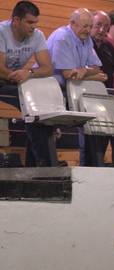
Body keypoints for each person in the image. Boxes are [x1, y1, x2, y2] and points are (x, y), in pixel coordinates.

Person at [47, 8, 108, 167]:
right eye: (84, 26)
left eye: (90, 26)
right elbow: (69, 74)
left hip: (72, 91)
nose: (88, 30)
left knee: (95, 122)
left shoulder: (86, 39)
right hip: (51, 92)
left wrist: (83, 71)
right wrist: (91, 75)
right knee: (44, 131)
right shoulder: (62, 38)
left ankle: (93, 167)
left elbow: (96, 68)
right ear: (72, 23)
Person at [0, 1, 56, 167]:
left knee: (35, 108)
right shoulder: (2, 31)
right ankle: (41, 161)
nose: (34, 27)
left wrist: (29, 73)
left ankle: (39, 162)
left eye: (35, 23)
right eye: (30, 22)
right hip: (7, 78)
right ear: (16, 20)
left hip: (11, 81)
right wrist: (17, 76)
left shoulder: (37, 35)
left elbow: (47, 68)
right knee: (29, 106)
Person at [90, 10, 114, 167]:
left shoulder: (106, 46)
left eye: (106, 26)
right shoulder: (85, 44)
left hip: (110, 102)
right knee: (94, 147)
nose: (102, 30)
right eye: (98, 26)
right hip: (91, 102)